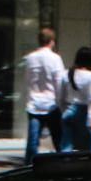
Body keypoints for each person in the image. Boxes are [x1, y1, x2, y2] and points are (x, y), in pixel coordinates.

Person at [23, 26, 67, 157]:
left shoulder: (30, 58)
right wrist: (62, 103)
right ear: (52, 41)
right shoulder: (55, 58)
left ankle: (30, 168)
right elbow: (59, 82)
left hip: (34, 104)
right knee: (59, 140)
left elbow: (28, 80)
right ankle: (63, 165)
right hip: (52, 104)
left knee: (33, 141)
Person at [65, 47, 91, 151]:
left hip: (69, 110)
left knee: (67, 147)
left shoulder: (69, 73)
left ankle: (64, 166)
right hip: (85, 112)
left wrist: (63, 109)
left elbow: (61, 95)